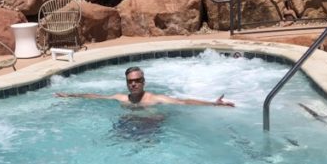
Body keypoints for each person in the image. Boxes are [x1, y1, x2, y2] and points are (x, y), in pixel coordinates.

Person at [56, 66, 235, 107]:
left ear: (143, 82)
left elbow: (184, 102)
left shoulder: (156, 99)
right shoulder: (122, 98)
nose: (133, 84)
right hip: (128, 126)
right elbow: (96, 96)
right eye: (130, 81)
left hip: (150, 127)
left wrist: (213, 104)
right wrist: (71, 95)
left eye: (137, 80)